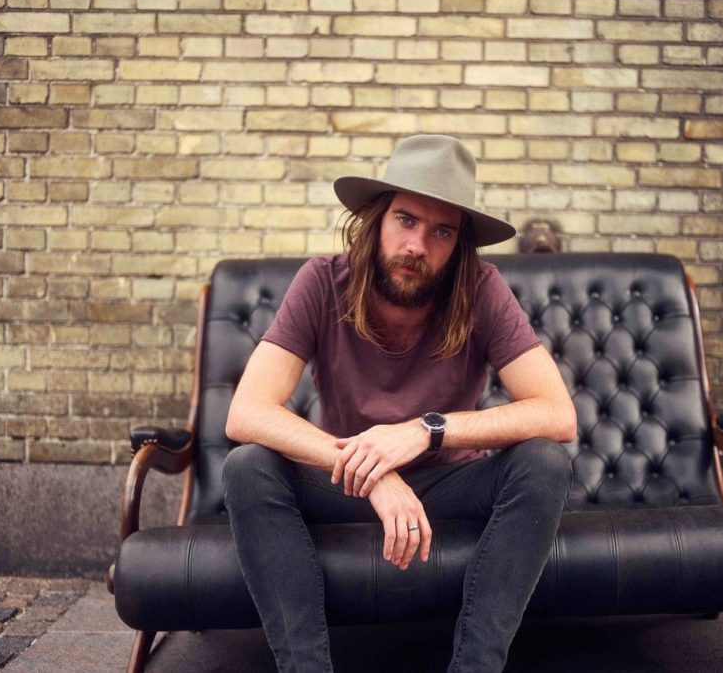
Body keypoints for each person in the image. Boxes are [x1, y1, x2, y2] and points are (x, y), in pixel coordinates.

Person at [223, 134, 577, 673]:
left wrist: (424, 430)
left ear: (459, 243)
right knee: (248, 466)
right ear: (375, 220)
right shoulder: (322, 281)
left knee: (544, 462)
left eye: (441, 231)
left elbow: (557, 414)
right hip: (346, 483)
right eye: (406, 220)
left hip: (447, 486)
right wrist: (376, 472)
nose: (418, 245)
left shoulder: (481, 288)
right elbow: (246, 411)